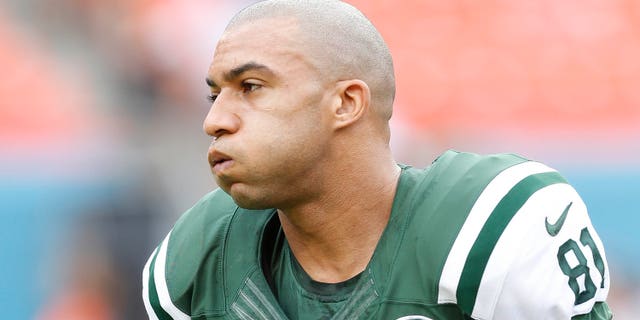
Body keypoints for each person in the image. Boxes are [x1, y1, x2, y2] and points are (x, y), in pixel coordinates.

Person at [142, 1, 612, 319]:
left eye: (250, 87)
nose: (215, 120)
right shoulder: (197, 261)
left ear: (346, 103)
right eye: (213, 94)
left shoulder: (490, 230)